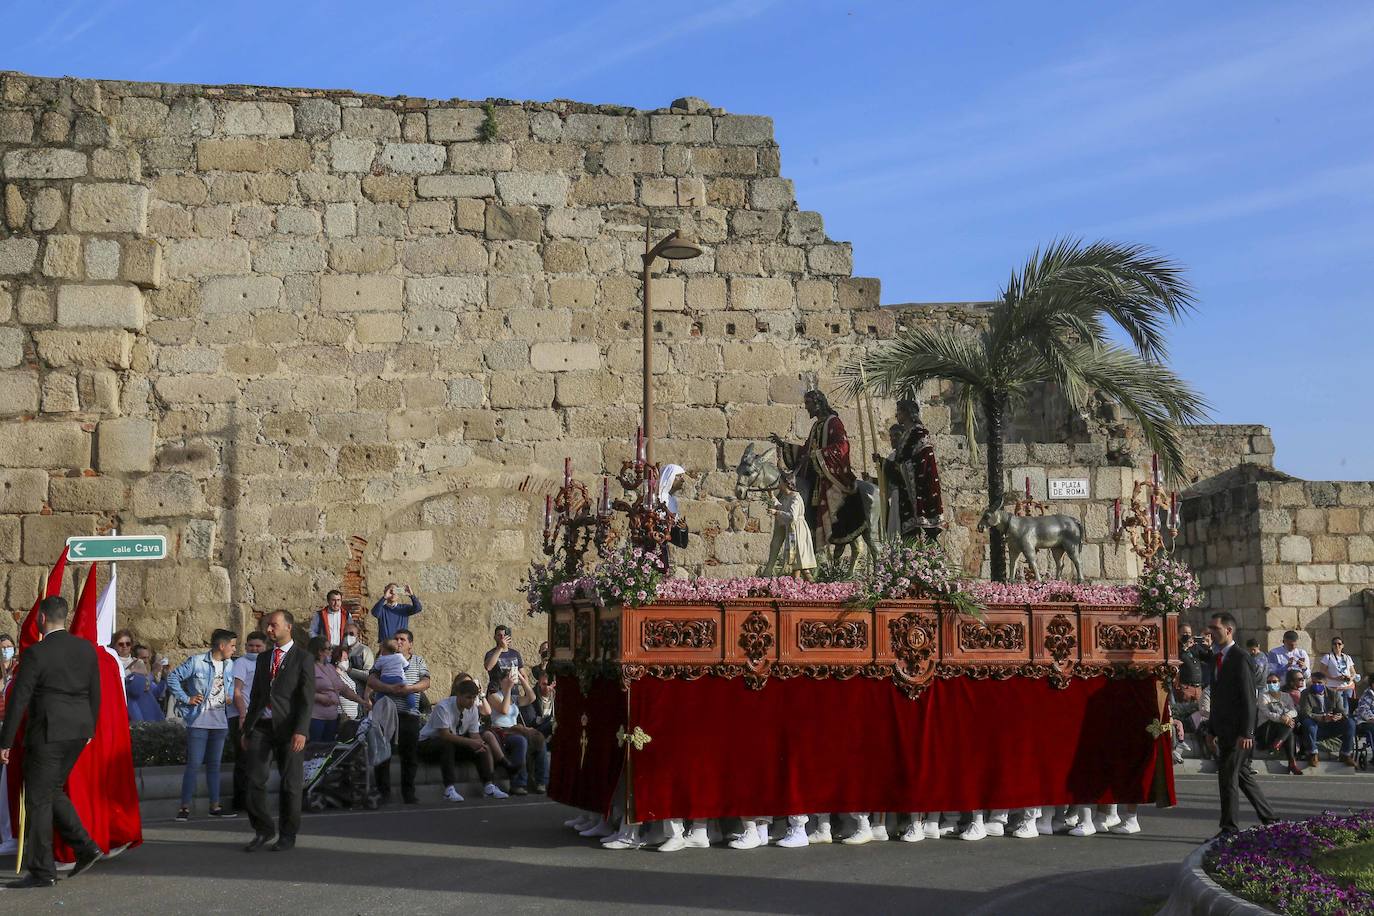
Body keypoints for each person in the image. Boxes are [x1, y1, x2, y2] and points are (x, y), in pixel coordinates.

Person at [0, 596, 104, 889]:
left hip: (47, 733)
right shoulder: (85, 649)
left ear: (42, 619)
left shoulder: (36, 654)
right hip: (77, 732)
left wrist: (5, 741)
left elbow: (19, 698)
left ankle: (43, 871)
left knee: (38, 800)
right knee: (51, 791)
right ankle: (85, 846)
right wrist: (90, 730)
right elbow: (95, 691)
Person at [241, 610, 313, 853]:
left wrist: (301, 730)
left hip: (289, 728)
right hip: (262, 725)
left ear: (288, 627)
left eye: (273, 625)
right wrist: (247, 728)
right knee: (253, 779)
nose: (269, 630)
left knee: (290, 784)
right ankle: (263, 828)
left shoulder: (303, 658)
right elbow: (256, 695)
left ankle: (288, 834)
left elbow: (306, 698)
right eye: (267, 626)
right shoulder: (263, 658)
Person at [1207, 611, 1277, 837]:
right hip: (1224, 729)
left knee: (1227, 777)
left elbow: (1249, 697)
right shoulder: (1218, 658)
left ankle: (1229, 828)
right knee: (1243, 775)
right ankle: (1271, 819)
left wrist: (1247, 731)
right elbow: (1218, 698)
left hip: (1239, 732)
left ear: (1228, 630)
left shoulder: (1240, 657)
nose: (1212, 633)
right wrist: (1211, 729)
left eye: (1216, 629)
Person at [167, 628, 238, 821]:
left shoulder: (230, 664)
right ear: (221, 646)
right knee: (194, 764)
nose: (234, 649)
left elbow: (229, 685)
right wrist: (186, 698)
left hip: (220, 721)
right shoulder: (197, 662)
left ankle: (214, 806)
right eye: (232, 645)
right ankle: (184, 807)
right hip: (199, 720)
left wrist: (229, 695)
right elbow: (173, 678)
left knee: (214, 765)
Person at [418, 676, 509, 802]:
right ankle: (449, 790)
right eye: (468, 697)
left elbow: (474, 734)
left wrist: (479, 744)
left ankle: (489, 786)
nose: (471, 702)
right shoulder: (443, 707)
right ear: (458, 695)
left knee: (481, 749)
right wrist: (471, 742)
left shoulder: (472, 710)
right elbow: (444, 735)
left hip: (453, 742)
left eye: (474, 698)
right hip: (428, 743)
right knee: (447, 744)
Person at [366, 628, 430, 805]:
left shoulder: (418, 661)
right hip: (386, 716)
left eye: (402, 639)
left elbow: (426, 682)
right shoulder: (383, 659)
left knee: (410, 756)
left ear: (410, 644)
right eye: (396, 639)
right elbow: (371, 681)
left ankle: (408, 793)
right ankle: (383, 793)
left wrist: (410, 689)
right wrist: (390, 689)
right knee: (383, 755)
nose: (398, 642)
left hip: (408, 715)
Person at [872, 398, 944, 540]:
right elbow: (899, 465)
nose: (896, 415)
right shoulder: (907, 435)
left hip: (919, 492)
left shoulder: (919, 433)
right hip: (905, 494)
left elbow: (918, 464)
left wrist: (885, 464)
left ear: (907, 413)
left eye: (898, 411)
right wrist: (882, 463)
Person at [487, 667, 548, 794]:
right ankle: (518, 784)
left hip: (516, 729)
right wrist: (508, 689)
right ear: (501, 681)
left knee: (539, 738)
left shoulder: (515, 698)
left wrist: (520, 677)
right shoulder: (493, 696)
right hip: (501, 731)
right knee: (521, 741)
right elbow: (504, 710)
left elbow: (531, 697)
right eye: (507, 678)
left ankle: (541, 781)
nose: (510, 680)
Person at [230, 631, 268, 816]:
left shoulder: (268, 663)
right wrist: (243, 716)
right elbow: (237, 691)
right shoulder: (241, 663)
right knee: (244, 761)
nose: (254, 649)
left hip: (261, 717)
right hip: (243, 716)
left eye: (258, 646)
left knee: (257, 762)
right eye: (251, 646)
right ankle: (241, 801)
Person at [308, 636, 367, 744]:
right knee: (313, 750)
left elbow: (343, 689)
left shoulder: (330, 668)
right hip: (315, 718)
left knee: (327, 750)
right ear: (319, 651)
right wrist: (320, 697)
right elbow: (302, 691)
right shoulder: (308, 668)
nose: (331, 651)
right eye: (329, 649)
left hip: (332, 719)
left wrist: (361, 701)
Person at [1297, 671, 1357, 768]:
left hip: (1331, 725)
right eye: (1314, 682)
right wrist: (1322, 717)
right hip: (1315, 726)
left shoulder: (1334, 694)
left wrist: (1339, 716)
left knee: (1350, 722)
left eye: (1319, 683)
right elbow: (1305, 713)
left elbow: (1342, 711)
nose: (1316, 685)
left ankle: (1345, 754)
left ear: (1325, 683)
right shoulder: (1306, 693)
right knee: (1308, 722)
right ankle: (1313, 754)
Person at [767, 472, 816, 580]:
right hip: (792, 531)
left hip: (798, 531)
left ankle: (813, 586)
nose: (778, 484)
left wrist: (776, 513)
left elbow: (792, 516)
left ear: (786, 483)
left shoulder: (795, 497)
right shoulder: (787, 497)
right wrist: (772, 496)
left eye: (780, 482)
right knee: (795, 563)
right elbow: (782, 508)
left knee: (801, 563)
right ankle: (796, 588)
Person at [1256, 670, 1302, 775]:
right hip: (1266, 729)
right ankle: (1291, 761)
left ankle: (1287, 757)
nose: (1272, 684)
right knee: (1290, 725)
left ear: (1279, 682)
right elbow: (1267, 713)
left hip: (1282, 730)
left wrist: (1287, 716)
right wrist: (1282, 718)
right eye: (1269, 682)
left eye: (1274, 681)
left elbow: (1293, 710)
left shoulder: (1286, 696)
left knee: (1290, 727)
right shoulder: (1263, 696)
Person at [372, 640, 416, 713]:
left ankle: (377, 708)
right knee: (408, 692)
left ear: (383, 649)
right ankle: (412, 708)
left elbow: (376, 668)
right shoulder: (399, 656)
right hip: (398, 679)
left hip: (385, 680)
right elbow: (407, 666)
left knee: (380, 692)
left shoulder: (381, 659)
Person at [124, 647, 166, 722]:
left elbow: (155, 692)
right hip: (141, 721)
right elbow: (138, 689)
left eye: (147, 658)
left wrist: (164, 678)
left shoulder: (146, 674)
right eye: (143, 658)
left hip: (152, 719)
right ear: (135, 659)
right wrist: (153, 673)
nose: (146, 661)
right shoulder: (131, 675)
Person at [1319, 637, 1360, 706]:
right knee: (1338, 709)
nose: (1337, 645)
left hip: (1347, 687)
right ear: (1332, 645)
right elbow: (1322, 671)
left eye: (1339, 644)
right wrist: (1335, 678)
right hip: (1334, 687)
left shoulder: (1347, 657)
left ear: (1342, 645)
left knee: (1347, 709)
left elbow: (1353, 672)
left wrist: (1350, 678)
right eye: (1334, 644)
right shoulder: (1328, 657)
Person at [483, 625, 523, 690]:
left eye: (504, 635)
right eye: (499, 635)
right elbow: (488, 667)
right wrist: (500, 647)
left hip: (513, 691)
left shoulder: (515, 654)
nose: (502, 638)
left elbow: (522, 674)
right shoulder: (491, 653)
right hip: (496, 691)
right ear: (495, 637)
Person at [342, 621, 375, 693]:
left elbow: (369, 676)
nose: (348, 636)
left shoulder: (364, 650)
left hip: (359, 692)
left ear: (358, 635)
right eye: (345, 634)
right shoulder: (340, 650)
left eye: (351, 634)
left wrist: (349, 670)